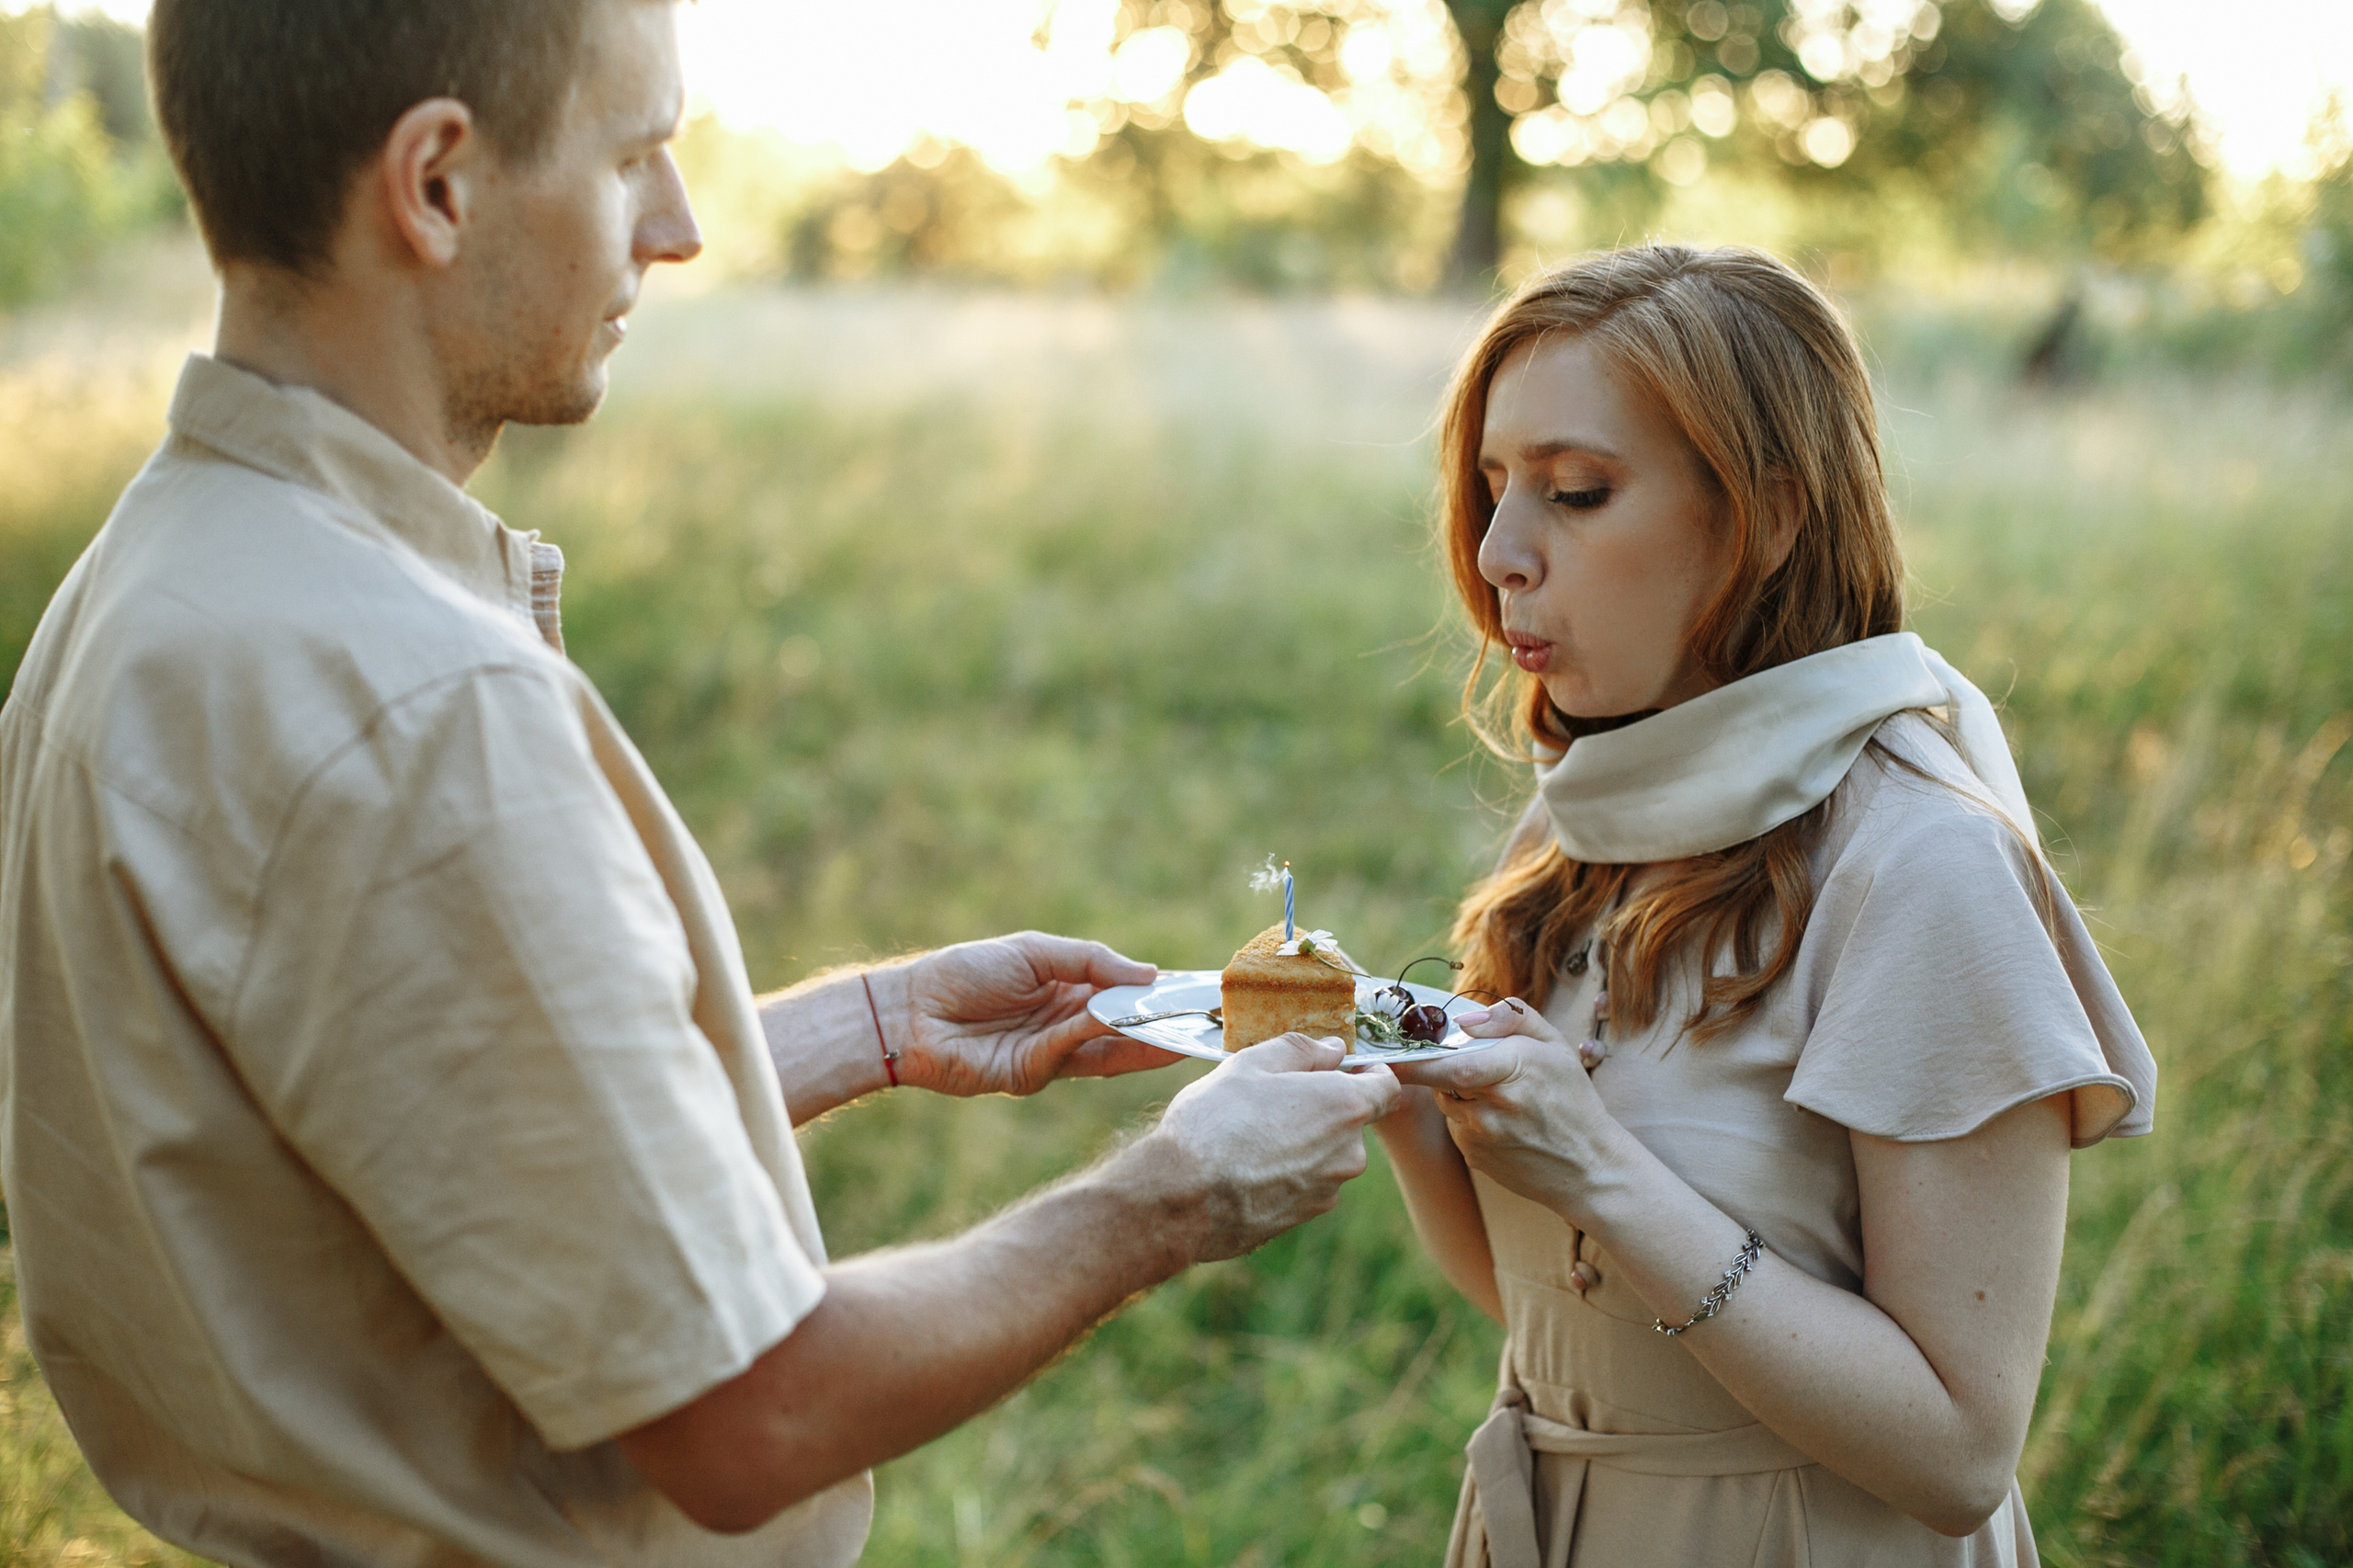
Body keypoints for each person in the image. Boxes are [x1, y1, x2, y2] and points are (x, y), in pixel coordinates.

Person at [0, 2, 1401, 1564]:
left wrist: (848, 1033)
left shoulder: (147, 588)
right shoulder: (415, 705)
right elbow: (754, 1418)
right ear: (438, 187)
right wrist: (1173, 1194)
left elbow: (390, 1142)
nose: (678, 229)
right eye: (633, 157)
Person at [1375, 245, 2158, 1567]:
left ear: (1764, 517)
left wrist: (1605, 1171)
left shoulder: (1918, 869)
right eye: (1493, 487)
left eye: (1575, 491)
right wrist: (1411, 1111)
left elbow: (1960, 1451)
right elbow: (1558, 1316)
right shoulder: (1578, 821)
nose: (1501, 552)